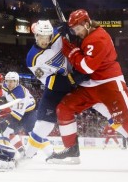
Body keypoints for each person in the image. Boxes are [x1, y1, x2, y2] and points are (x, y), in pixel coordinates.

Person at [49, 9, 128, 171]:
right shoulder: (87, 35)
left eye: (77, 29)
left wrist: (70, 50)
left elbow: (86, 66)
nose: (76, 33)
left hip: (110, 84)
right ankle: (72, 151)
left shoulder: (99, 38)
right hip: (90, 85)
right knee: (64, 108)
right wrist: (64, 34)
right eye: (74, 30)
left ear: (86, 23)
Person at [25, 20, 88, 163]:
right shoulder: (32, 59)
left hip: (78, 73)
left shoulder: (58, 32)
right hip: (58, 87)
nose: (45, 40)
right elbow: (50, 82)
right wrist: (73, 80)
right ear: (36, 36)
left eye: (48, 36)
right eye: (41, 36)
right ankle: (27, 156)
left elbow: (76, 33)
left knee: (100, 101)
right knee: (43, 124)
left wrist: (70, 29)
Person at [0, 71, 37, 157]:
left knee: (34, 134)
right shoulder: (5, 86)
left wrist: (6, 121)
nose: (9, 83)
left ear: (16, 82)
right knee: (5, 131)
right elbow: (6, 96)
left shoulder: (20, 95)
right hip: (19, 111)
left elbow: (17, 115)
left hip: (29, 113)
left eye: (11, 81)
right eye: (7, 81)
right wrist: (1, 101)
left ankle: (49, 152)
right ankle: (5, 153)